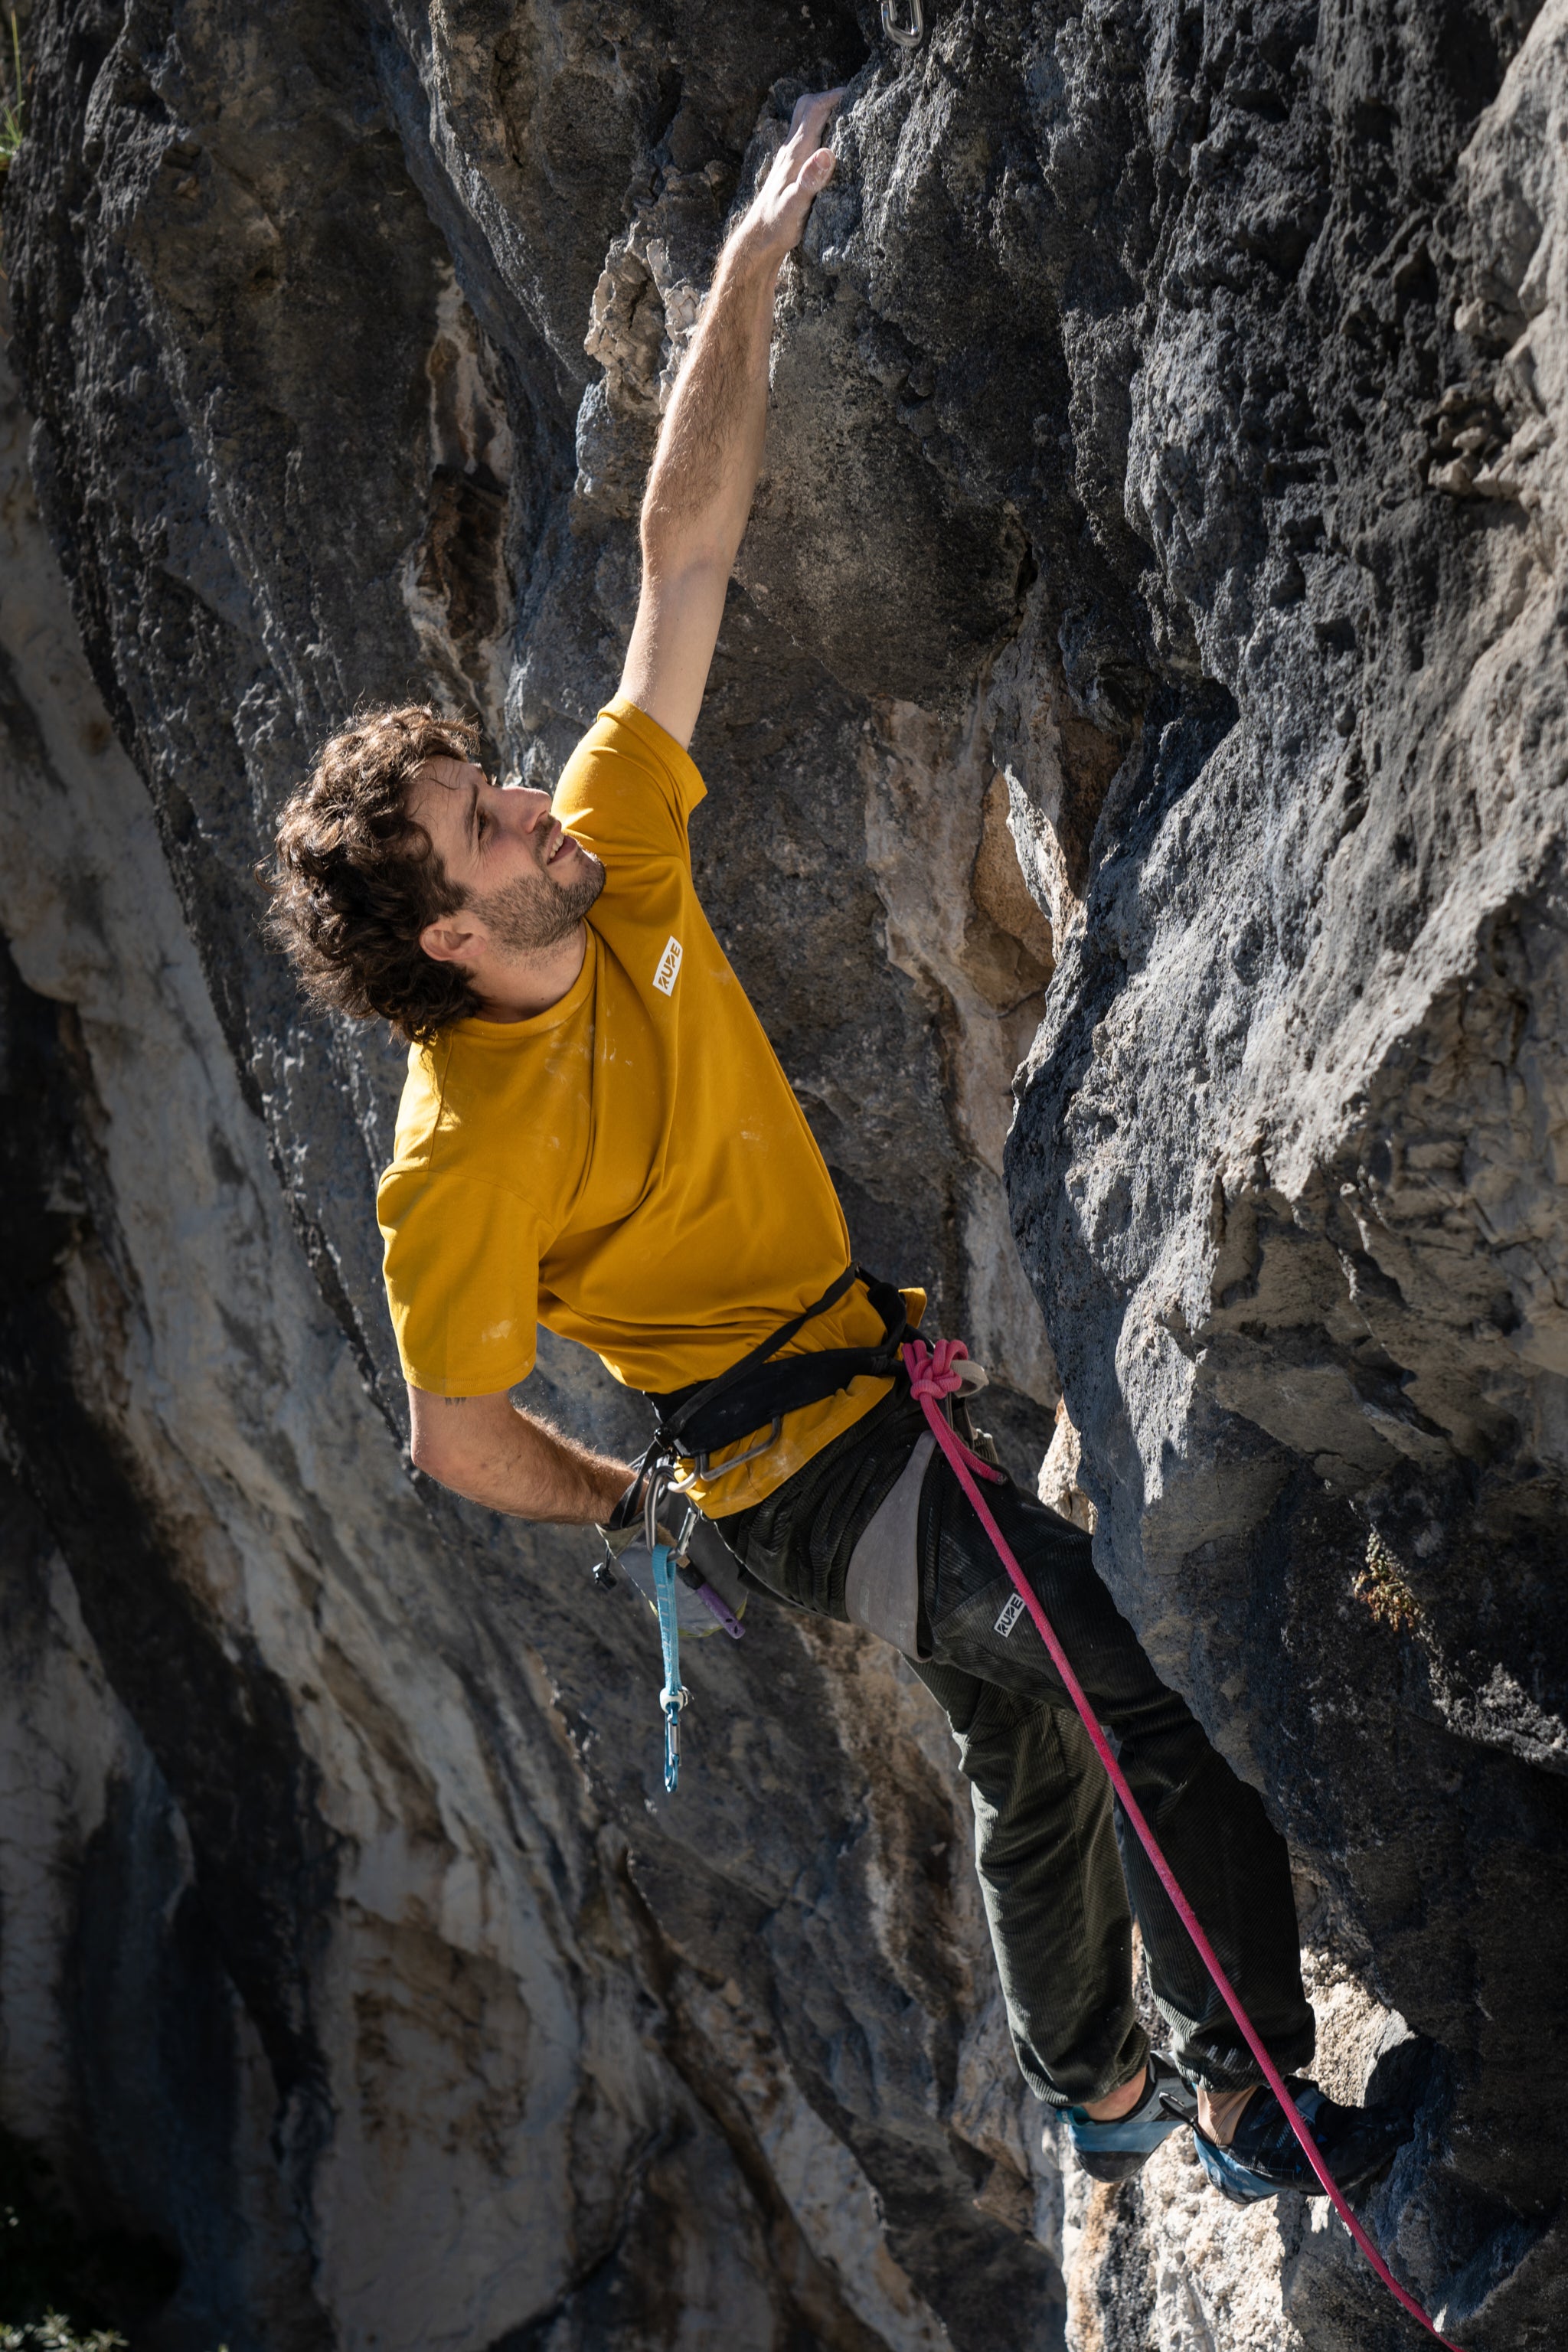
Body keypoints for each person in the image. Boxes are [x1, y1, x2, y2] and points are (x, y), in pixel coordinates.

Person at [267, 89, 1411, 2204]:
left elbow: (676, 552)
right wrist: (643, 1520)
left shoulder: (612, 846)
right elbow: (452, 1428)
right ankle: (1271, 2119)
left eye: (500, 785)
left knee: (1028, 1734)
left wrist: (756, 267)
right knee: (1098, 1668)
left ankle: (1094, 2086)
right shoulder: (455, 1159)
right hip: (788, 1469)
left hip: (869, 1382)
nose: (534, 803)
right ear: (449, 929)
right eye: (487, 824)